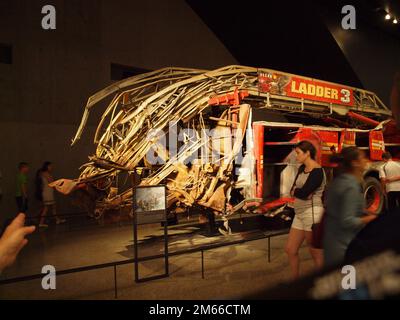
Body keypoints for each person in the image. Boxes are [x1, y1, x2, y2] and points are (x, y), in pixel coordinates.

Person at [323, 146, 377, 268]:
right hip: (345, 248)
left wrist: (362, 211)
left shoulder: (338, 182)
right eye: (363, 158)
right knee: (349, 285)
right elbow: (347, 221)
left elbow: (338, 208)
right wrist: (371, 219)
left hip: (332, 245)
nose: (366, 160)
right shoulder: (351, 185)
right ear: (355, 163)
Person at [285, 140, 325, 280]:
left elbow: (305, 193)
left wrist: (297, 191)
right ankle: (295, 282)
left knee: (315, 252)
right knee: (290, 249)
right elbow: (293, 189)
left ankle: (322, 283)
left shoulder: (317, 171)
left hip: (312, 213)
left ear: (307, 153)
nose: (296, 156)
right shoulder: (302, 168)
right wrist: (298, 191)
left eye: (298, 153)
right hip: (299, 213)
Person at [36, 162, 66, 228]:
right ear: (46, 166)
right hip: (47, 193)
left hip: (49, 192)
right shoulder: (45, 174)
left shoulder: (45, 173)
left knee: (53, 207)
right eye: (50, 166)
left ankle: (57, 220)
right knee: (46, 208)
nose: (51, 167)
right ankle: (41, 223)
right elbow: (51, 182)